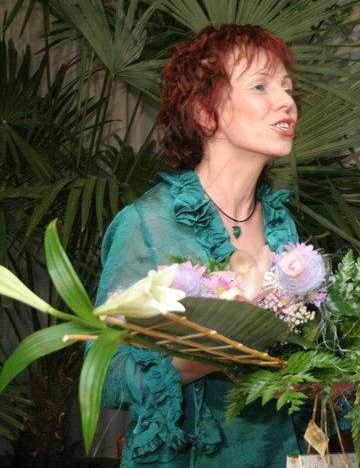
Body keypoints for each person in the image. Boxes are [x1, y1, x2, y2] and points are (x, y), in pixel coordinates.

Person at [94, 24, 305, 466]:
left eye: (287, 87)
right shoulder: (150, 223)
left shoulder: (281, 224)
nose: (286, 101)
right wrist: (214, 353)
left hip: (279, 452)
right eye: (261, 86)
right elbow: (106, 373)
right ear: (205, 113)